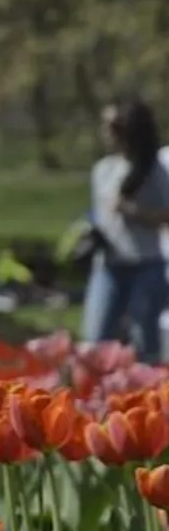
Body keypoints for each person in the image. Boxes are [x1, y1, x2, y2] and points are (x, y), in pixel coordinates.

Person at [81, 96, 169, 362]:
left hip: (145, 265)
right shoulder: (102, 169)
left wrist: (133, 211)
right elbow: (99, 214)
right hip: (108, 265)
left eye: (113, 126)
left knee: (143, 343)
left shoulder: (155, 170)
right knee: (95, 339)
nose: (107, 132)